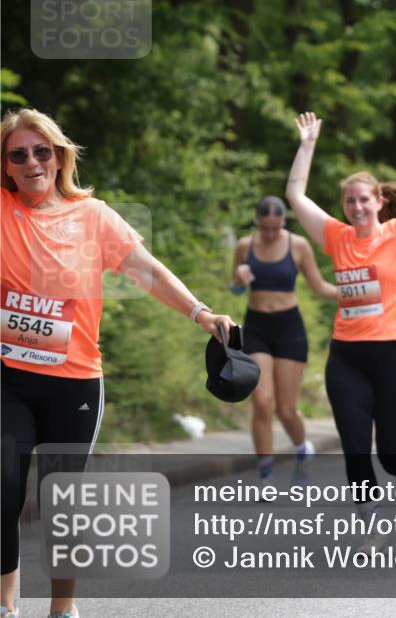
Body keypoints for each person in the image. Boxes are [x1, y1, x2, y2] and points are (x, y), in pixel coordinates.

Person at [1, 108, 236, 618]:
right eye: (18, 154)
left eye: (42, 151)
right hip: (8, 380)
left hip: (74, 382)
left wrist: (200, 312)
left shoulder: (94, 217)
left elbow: (146, 271)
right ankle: (7, 605)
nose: (31, 162)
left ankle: (63, 609)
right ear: (7, 165)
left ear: (59, 156)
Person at [284, 112, 396, 547]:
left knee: (393, 450)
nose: (357, 208)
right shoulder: (336, 237)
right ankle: (368, 524)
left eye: (364, 200)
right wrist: (307, 144)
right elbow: (295, 194)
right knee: (355, 446)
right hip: (349, 356)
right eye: (350, 202)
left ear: (379, 201)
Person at [229, 196, 340, 488]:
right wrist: (239, 281)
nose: (269, 234)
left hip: (289, 328)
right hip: (256, 327)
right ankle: (265, 473)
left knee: (286, 409)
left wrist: (351, 293)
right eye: (265, 229)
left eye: (275, 229)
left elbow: (318, 286)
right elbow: (235, 289)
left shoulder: (298, 245)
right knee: (263, 402)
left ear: (282, 223)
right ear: (258, 224)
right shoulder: (244, 246)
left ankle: (303, 451)